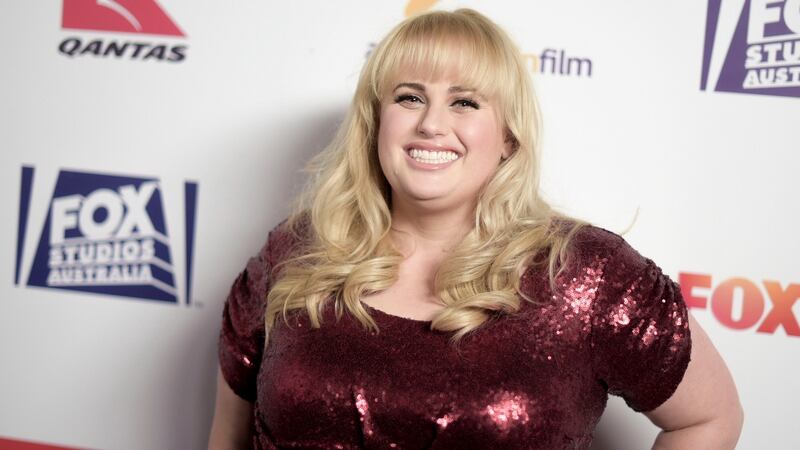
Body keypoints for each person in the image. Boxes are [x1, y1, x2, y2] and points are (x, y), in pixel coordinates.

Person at [208, 8, 743, 450]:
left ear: (508, 136)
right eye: (409, 97)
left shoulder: (586, 275)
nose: (431, 124)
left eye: (464, 102)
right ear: (377, 122)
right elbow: (228, 435)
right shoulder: (297, 253)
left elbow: (709, 418)